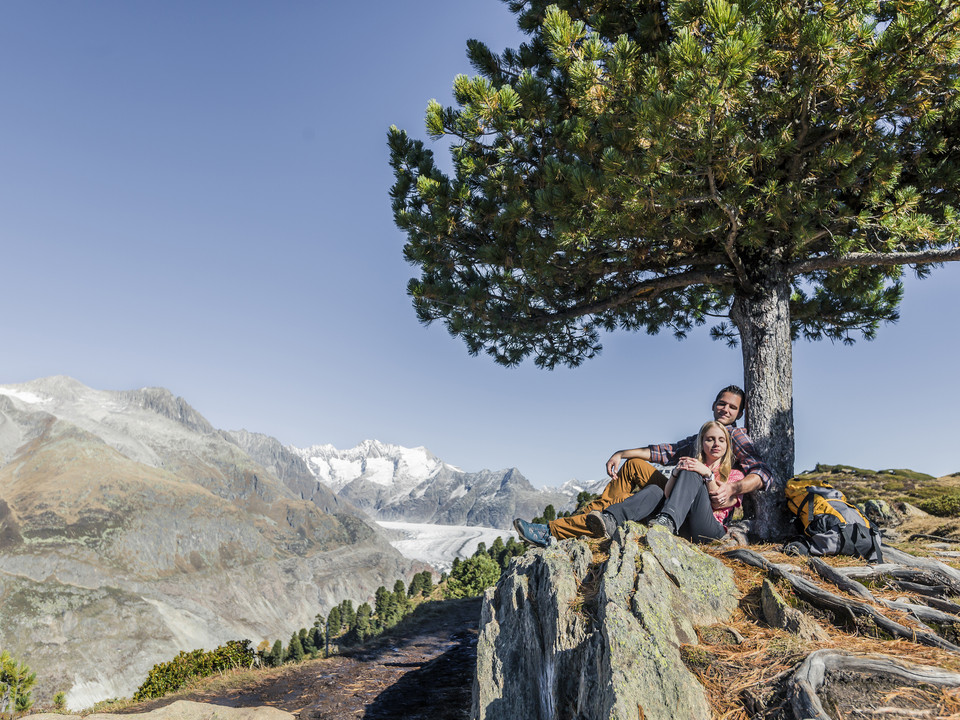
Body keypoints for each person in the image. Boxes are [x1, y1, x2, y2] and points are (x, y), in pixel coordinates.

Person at [513, 385, 773, 547]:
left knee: (688, 474)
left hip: (704, 510)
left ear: (739, 414)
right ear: (714, 405)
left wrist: (734, 487)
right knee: (637, 466)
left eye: (732, 407)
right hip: (680, 500)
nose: (725, 409)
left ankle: (582, 522)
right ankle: (596, 519)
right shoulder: (698, 440)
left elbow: (763, 473)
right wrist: (621, 453)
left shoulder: (735, 436)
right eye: (722, 403)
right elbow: (664, 452)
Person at [585, 420, 744, 543]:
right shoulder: (693, 464)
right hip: (682, 526)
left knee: (692, 472)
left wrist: (707, 473)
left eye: (721, 440)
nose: (716, 444)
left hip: (709, 530)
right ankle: (611, 520)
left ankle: (666, 522)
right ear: (702, 443)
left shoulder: (735, 474)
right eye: (710, 439)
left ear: (727, 445)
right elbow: (668, 495)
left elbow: (719, 504)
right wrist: (675, 473)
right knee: (655, 490)